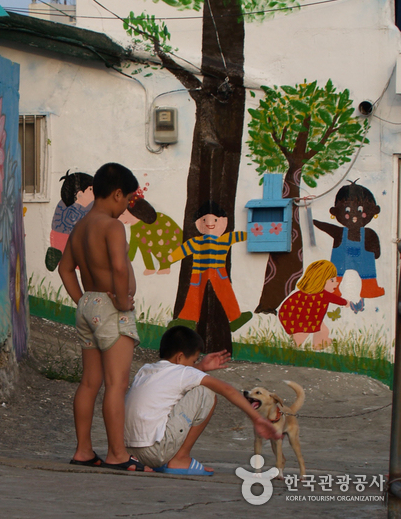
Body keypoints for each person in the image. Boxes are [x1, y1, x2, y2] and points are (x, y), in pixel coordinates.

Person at [58, 162, 151, 471]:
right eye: (127, 201)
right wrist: (123, 303)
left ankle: (83, 450)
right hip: (111, 310)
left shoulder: (80, 227)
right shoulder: (112, 227)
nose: (126, 208)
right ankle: (117, 453)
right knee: (116, 382)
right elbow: (120, 267)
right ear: (117, 194)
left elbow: (64, 268)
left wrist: (83, 301)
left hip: (89, 306)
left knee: (89, 382)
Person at [124, 325, 280, 476]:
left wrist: (199, 366)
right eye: (193, 361)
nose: (193, 366)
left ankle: (169, 457)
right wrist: (256, 418)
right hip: (156, 452)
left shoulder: (145, 370)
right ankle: (180, 458)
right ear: (180, 357)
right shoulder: (185, 372)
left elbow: (174, 377)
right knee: (206, 392)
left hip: (129, 452)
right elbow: (226, 389)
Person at [168, 200, 252, 332]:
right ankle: (187, 319)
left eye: (215, 220)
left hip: (216, 271)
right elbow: (183, 249)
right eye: (204, 219)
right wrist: (170, 258)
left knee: (225, 293)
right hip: (202, 272)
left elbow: (239, 236)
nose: (209, 223)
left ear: (224, 221)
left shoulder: (224, 239)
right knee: (195, 294)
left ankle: (235, 318)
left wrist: (255, 234)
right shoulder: (197, 241)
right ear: (198, 222)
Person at [313, 181, 383, 313]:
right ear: (335, 212)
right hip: (342, 261)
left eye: (360, 210)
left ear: (373, 211)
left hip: (363, 261)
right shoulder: (339, 232)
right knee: (336, 274)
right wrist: (311, 220)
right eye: (348, 211)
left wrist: (375, 251)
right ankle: (336, 291)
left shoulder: (368, 234)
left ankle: (369, 290)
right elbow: (325, 226)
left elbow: (375, 247)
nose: (354, 215)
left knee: (367, 274)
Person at [278, 260, 350, 349]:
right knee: (305, 333)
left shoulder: (303, 293)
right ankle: (306, 346)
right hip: (303, 319)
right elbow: (336, 299)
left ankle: (317, 345)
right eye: (332, 280)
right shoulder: (323, 294)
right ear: (320, 279)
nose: (336, 282)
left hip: (297, 316)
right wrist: (346, 302)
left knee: (322, 330)